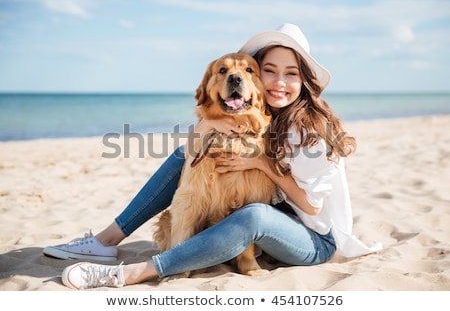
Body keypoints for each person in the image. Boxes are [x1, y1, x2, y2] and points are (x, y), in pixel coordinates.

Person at [44, 23, 381, 290]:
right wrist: (206, 125)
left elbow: (311, 207)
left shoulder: (309, 129)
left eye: (291, 73)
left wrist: (261, 163)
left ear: (303, 81)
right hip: (279, 223)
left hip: (314, 240)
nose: (279, 81)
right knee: (183, 154)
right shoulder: (270, 115)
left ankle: (136, 272)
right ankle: (107, 240)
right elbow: (208, 137)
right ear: (257, 77)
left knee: (254, 215)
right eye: (269, 70)